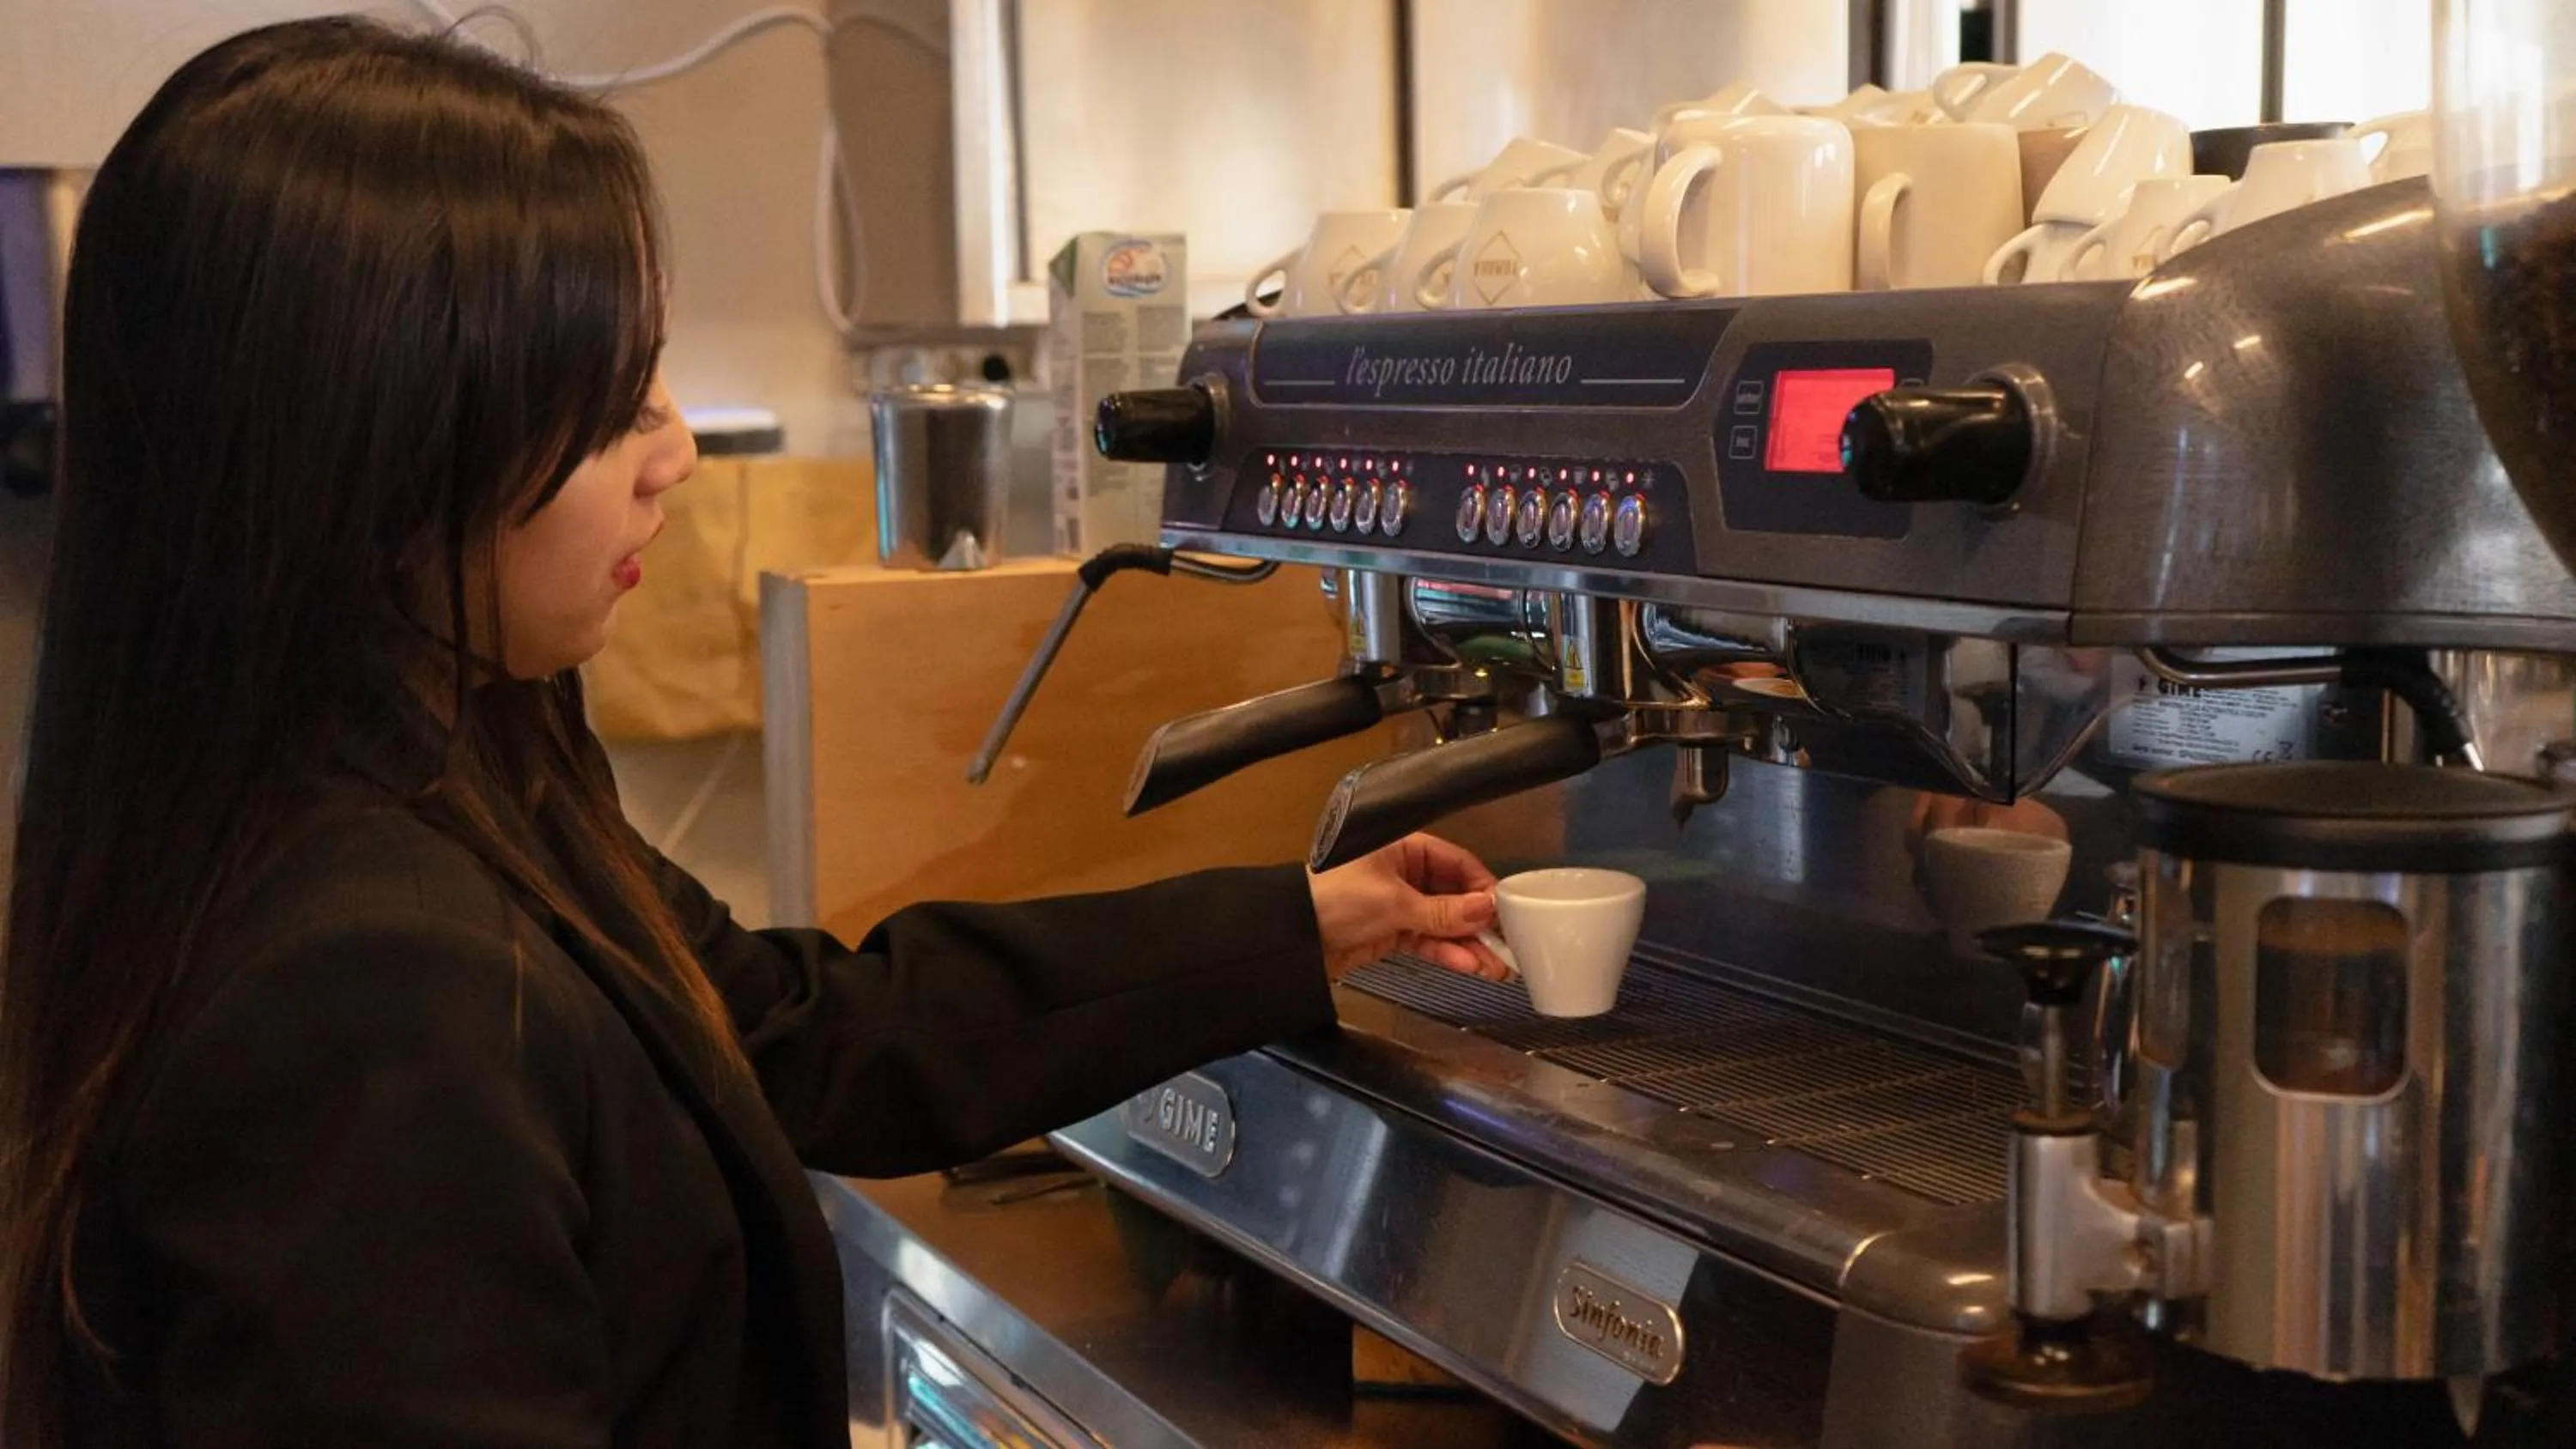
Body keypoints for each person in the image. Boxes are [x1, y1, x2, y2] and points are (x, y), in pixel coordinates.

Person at [0, 18, 1507, 1446]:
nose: (673, 455)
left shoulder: (456, 752)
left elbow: (795, 1030)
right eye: (603, 409)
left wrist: (1293, 929)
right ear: (378, 455)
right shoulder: (359, 992)